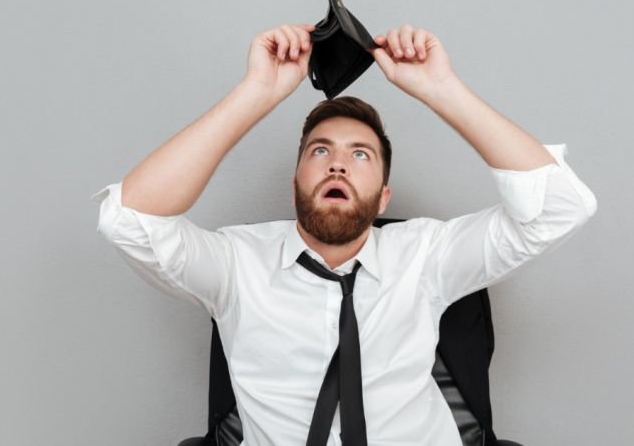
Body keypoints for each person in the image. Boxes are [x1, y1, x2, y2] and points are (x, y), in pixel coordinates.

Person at [92, 23, 597, 445]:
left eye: (361, 155)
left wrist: (441, 89)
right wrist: (257, 93)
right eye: (319, 151)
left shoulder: (427, 255)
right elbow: (130, 221)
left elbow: (561, 207)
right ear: (295, 188)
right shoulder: (234, 264)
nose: (337, 164)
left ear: (383, 198)